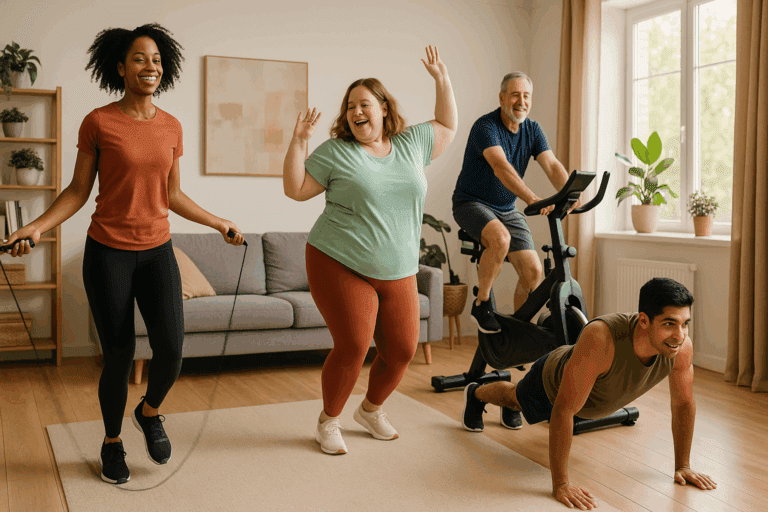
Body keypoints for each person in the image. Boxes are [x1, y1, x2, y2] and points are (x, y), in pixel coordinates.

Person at [2, 23, 244, 484]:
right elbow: (77, 191)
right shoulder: (98, 122)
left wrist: (218, 222)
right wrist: (35, 226)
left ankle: (149, 413)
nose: (150, 66)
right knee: (118, 355)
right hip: (108, 253)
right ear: (119, 67)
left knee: (171, 350)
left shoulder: (171, 126)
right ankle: (112, 443)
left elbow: (173, 194)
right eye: (139, 58)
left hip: (157, 252)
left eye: (156, 59)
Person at [282, 46, 457, 455]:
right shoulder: (336, 152)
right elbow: (295, 190)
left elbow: (448, 124)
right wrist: (299, 141)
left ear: (383, 108)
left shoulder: (412, 144)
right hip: (338, 260)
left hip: (398, 267)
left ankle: (371, 409)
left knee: (402, 350)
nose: (356, 111)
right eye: (350, 107)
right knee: (354, 345)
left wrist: (442, 80)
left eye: (364, 104)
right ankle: (328, 421)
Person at [462, 278, 717, 509]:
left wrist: (683, 466)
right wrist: (561, 484)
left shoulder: (681, 348)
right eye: (669, 324)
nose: (679, 335)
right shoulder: (602, 338)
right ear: (643, 320)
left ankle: (499, 399)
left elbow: (683, 404)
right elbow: (564, 410)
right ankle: (476, 393)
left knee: (519, 402)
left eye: (685, 324)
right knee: (515, 398)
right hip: (552, 382)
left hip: (587, 399)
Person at [452, 71, 580, 335]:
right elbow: (501, 167)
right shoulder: (485, 127)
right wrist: (532, 198)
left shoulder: (532, 130)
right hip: (471, 203)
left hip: (507, 209)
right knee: (500, 239)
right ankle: (482, 303)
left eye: (526, 96)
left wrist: (570, 193)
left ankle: (519, 332)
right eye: (514, 95)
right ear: (502, 98)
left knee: (533, 272)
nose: (521, 102)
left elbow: (552, 165)